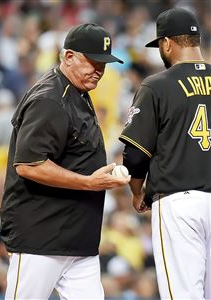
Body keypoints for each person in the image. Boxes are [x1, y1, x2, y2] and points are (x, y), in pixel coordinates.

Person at [0, 23, 130, 299]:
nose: (99, 70)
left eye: (104, 63)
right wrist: (89, 183)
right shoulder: (49, 99)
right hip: (41, 239)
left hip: (78, 243)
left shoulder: (78, 92)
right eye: (93, 61)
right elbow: (28, 164)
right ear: (68, 56)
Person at [119, 8, 211, 299]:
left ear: (168, 43)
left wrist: (136, 191)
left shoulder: (157, 85)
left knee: (183, 294)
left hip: (179, 204)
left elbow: (135, 155)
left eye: (160, 43)